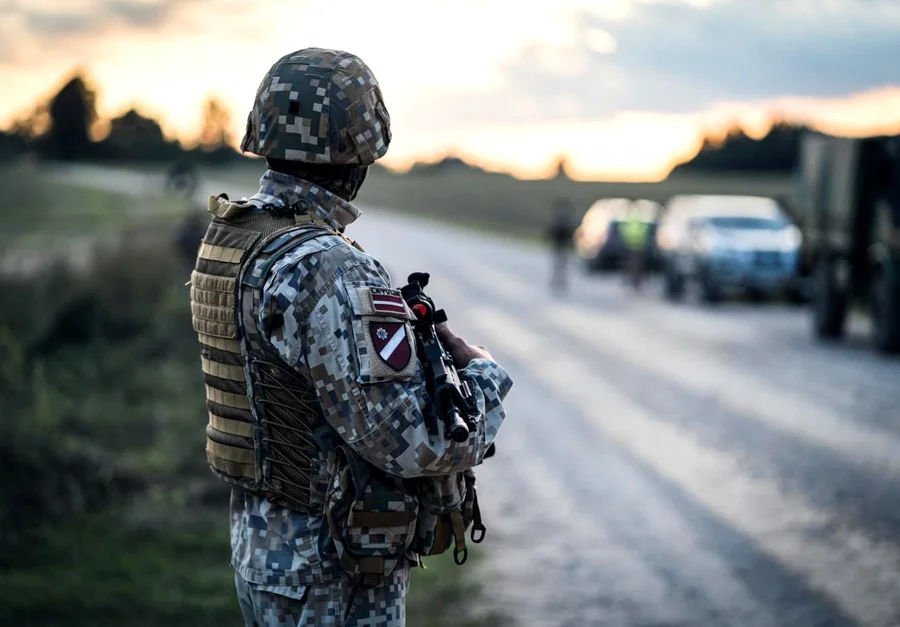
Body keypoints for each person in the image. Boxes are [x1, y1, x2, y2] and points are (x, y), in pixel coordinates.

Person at [189, 48, 512, 626]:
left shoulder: (234, 239)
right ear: (359, 153)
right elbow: (413, 443)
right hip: (330, 575)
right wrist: (485, 377)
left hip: (265, 555)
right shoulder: (328, 267)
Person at [546, 197, 576, 292]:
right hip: (561, 247)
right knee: (561, 266)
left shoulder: (558, 223)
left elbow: (550, 233)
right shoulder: (566, 224)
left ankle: (558, 281)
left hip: (558, 247)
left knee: (559, 265)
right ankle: (560, 281)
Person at [620, 208, 650, 290]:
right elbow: (645, 230)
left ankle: (633, 280)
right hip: (638, 244)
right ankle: (635, 280)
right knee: (637, 265)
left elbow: (624, 230)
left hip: (632, 244)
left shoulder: (629, 219)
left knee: (631, 264)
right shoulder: (640, 220)